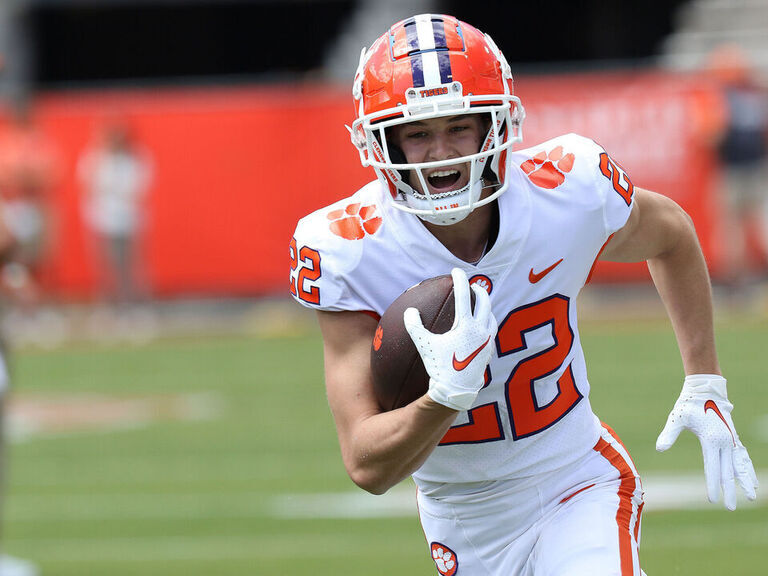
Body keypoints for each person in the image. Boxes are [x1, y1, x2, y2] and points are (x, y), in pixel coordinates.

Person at [289, 14, 758, 575]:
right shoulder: (350, 249)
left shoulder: (566, 189)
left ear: (496, 126)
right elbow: (367, 466)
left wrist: (703, 377)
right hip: (463, 520)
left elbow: (673, 233)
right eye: (417, 133)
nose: (441, 152)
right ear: (380, 140)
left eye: (459, 126)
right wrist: (445, 398)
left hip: (576, 480)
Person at [78, 118, 152, 306]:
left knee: (130, 267)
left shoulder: (135, 158)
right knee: (105, 267)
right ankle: (109, 306)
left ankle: (134, 305)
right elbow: (88, 186)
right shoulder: (95, 158)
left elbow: (136, 190)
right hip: (102, 220)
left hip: (128, 220)